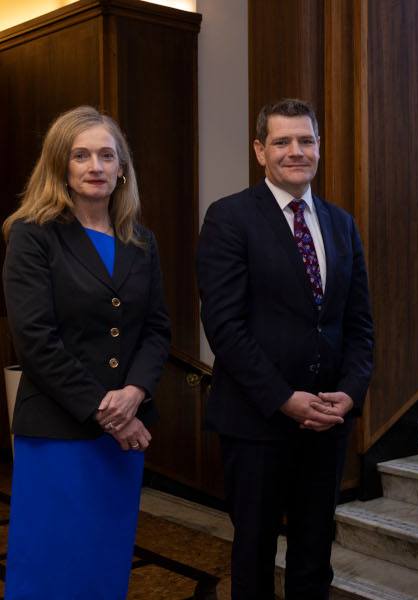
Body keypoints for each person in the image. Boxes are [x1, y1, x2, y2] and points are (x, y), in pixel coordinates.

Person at [196, 98, 373, 599]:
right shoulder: (229, 218)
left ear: (319, 147)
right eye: (282, 142)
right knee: (252, 556)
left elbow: (358, 324)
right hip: (257, 421)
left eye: (306, 141)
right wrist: (283, 398)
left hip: (327, 423)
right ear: (260, 150)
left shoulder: (341, 223)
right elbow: (224, 326)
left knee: (315, 555)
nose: (296, 151)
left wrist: (350, 391)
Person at [2, 105, 171, 598]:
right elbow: (35, 339)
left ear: (122, 169)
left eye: (106, 155)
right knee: (52, 564)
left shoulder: (141, 241)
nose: (95, 166)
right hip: (59, 431)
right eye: (81, 155)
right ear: (60, 165)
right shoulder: (32, 234)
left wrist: (135, 392)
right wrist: (108, 411)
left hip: (121, 437)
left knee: (105, 560)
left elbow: (158, 329)